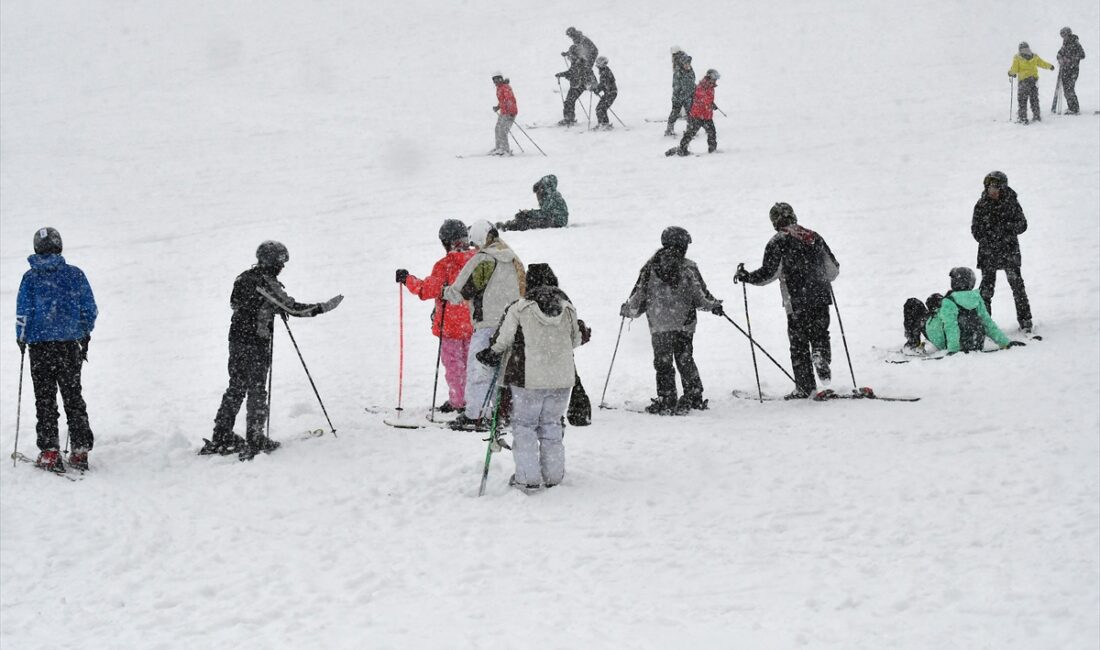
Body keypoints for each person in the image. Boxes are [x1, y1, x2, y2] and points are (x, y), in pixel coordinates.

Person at [202, 241, 344, 458]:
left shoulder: (243, 277)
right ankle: (255, 437)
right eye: (281, 262)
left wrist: (265, 308)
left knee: (236, 387)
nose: (283, 266)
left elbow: (235, 304)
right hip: (255, 342)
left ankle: (222, 435)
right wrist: (323, 307)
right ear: (271, 261)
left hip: (236, 340)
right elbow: (292, 308)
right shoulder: (265, 282)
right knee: (257, 389)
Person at [476, 264, 585, 489]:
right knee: (552, 425)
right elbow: (575, 340)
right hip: (561, 379)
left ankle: (528, 478)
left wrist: (490, 353)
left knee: (524, 426)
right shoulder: (567, 308)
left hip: (528, 377)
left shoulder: (519, 308)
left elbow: (502, 340)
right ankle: (554, 476)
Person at [735, 203, 840, 400]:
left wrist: (747, 277)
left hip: (796, 301)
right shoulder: (813, 237)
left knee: (799, 345)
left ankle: (804, 387)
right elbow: (833, 269)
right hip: (820, 297)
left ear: (775, 222)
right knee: (820, 333)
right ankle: (820, 354)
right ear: (794, 216)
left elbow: (768, 273)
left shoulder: (778, 241)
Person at [15, 227, 98, 472]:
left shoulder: (30, 278)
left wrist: (21, 338)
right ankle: (80, 450)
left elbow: (23, 313)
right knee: (73, 396)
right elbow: (89, 308)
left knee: (45, 398)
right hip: (69, 345)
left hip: (40, 346)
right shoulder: (75, 275)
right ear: (59, 246)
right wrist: (84, 332)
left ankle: (50, 451)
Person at [621, 227, 724, 415]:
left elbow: (638, 297)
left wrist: (628, 310)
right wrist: (714, 306)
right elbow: (700, 297)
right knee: (685, 359)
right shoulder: (689, 267)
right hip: (684, 324)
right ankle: (693, 395)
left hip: (659, 325)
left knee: (663, 363)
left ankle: (666, 398)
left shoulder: (650, 267)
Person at [444, 220, 526, 431]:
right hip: (513, 324)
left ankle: (476, 415)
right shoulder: (513, 258)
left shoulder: (484, 260)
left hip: (487, 323)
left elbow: (461, 290)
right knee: (505, 372)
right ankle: (505, 413)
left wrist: (444, 292)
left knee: (479, 369)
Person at [396, 220, 476, 414]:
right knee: (472, 364)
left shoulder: (445, 265)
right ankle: (474, 399)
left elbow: (426, 290)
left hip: (450, 326)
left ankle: (458, 402)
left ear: (445, 242)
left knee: (454, 366)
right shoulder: (477, 259)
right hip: (474, 323)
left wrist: (407, 279)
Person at [903, 267, 1019, 354]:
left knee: (912, 304)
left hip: (943, 340)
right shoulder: (977, 299)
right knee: (935, 298)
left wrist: (953, 350)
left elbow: (951, 326)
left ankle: (913, 344)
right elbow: (988, 323)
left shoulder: (949, 301)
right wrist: (1005, 343)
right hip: (975, 343)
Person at [971, 171, 1033, 333]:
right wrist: (989, 237)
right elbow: (975, 231)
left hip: (1009, 251)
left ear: (1003, 188)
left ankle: (1025, 321)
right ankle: (985, 325)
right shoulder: (981, 205)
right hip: (988, 253)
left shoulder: (1011, 203)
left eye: (996, 187)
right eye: (990, 187)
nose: (992, 191)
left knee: (1017, 286)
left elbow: (1022, 224)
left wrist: (1005, 229)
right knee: (986, 290)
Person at [666, 69, 720, 156]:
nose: (715, 80)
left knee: (712, 133)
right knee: (690, 134)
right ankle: (682, 149)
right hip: (697, 116)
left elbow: (708, 99)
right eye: (714, 78)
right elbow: (701, 98)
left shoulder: (711, 87)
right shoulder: (701, 86)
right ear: (709, 77)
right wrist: (708, 104)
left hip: (707, 116)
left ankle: (712, 150)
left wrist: (712, 104)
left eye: (716, 79)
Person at [497, 174, 569, 231]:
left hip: (556, 221)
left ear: (544, 187)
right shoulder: (551, 195)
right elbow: (546, 212)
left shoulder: (551, 196)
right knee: (528, 218)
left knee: (528, 222)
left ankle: (508, 227)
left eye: (539, 190)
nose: (538, 194)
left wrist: (528, 213)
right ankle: (509, 225)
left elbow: (545, 213)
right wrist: (529, 213)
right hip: (556, 220)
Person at [1008, 41, 1055, 124]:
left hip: (1024, 81)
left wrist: (1011, 73)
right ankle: (1036, 116)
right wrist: (1050, 66)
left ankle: (1023, 118)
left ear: (1020, 49)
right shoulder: (1034, 56)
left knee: (1022, 100)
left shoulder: (1017, 57)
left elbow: (1014, 69)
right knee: (1034, 99)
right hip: (1034, 80)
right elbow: (1042, 63)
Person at [555, 45, 588, 126]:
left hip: (579, 85)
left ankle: (569, 119)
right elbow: (571, 72)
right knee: (569, 101)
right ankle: (569, 118)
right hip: (576, 84)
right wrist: (565, 54)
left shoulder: (579, 63)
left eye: (571, 56)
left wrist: (562, 74)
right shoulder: (576, 61)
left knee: (569, 101)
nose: (569, 57)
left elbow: (572, 73)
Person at [1057, 27, 1086, 115]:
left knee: (1069, 88)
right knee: (1066, 89)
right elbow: (1059, 53)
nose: (1063, 37)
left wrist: (1070, 60)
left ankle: (1075, 109)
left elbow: (1082, 55)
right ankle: (1071, 107)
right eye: (1062, 35)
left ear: (1068, 34)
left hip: (1073, 70)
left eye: (1064, 35)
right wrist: (1060, 58)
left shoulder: (1075, 43)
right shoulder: (1065, 43)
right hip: (1065, 70)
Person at [666, 49, 695, 136]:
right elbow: (676, 86)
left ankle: (690, 129)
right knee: (675, 113)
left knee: (691, 113)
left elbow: (692, 81)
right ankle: (669, 129)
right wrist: (681, 94)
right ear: (682, 64)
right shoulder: (678, 73)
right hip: (678, 98)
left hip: (688, 96)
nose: (687, 65)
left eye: (688, 63)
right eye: (686, 64)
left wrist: (693, 89)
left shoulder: (691, 71)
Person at [491, 73, 518, 155]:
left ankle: (505, 150)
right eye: (494, 80)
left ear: (500, 79)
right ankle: (499, 148)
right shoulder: (499, 88)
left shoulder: (506, 88)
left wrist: (511, 113)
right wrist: (498, 107)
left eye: (496, 80)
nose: (495, 82)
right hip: (503, 112)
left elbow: (510, 100)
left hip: (509, 113)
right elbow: (502, 101)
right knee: (497, 129)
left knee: (503, 131)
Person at [593, 56, 617, 129]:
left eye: (598, 64)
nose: (596, 66)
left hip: (611, 93)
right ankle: (603, 123)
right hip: (609, 93)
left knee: (600, 108)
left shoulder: (605, 72)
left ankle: (604, 124)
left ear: (602, 64)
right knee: (600, 108)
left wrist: (597, 89)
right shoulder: (604, 71)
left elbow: (604, 84)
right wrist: (597, 89)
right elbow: (603, 84)